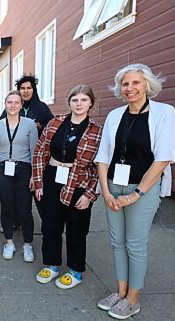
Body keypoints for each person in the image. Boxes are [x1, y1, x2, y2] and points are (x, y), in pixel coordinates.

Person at [94, 64, 175, 320]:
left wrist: (136, 194)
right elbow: (103, 156)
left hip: (143, 188)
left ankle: (133, 298)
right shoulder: (115, 115)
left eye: (135, 83)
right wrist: (105, 191)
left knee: (135, 244)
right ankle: (120, 291)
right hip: (113, 186)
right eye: (125, 84)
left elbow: (163, 158)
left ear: (147, 85)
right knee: (117, 242)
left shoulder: (164, 112)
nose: (130, 88)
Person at [33, 85, 102, 289]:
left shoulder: (97, 131)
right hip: (53, 177)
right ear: (69, 102)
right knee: (50, 225)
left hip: (80, 182)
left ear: (90, 103)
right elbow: (39, 152)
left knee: (76, 228)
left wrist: (89, 194)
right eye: (75, 100)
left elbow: (100, 166)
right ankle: (52, 264)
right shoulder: (55, 122)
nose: (78, 104)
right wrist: (38, 182)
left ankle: (75, 270)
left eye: (83, 100)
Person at [0, 75, 54, 224]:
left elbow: (52, 129)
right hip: (16, 158)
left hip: (37, 158)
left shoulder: (41, 107)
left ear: (34, 89)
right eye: (22, 88)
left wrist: (39, 127)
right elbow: (0, 126)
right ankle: (16, 221)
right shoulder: (13, 107)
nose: (25, 91)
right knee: (17, 194)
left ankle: (49, 227)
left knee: (39, 195)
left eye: (29, 88)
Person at [0, 91, 38, 261]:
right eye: (9, 102)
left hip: (24, 170)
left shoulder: (30, 124)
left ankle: (27, 244)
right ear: (5, 104)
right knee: (7, 207)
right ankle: (9, 242)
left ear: (21, 105)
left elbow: (34, 151)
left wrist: (34, 176)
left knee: (25, 209)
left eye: (16, 102)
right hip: (4, 170)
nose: (12, 105)